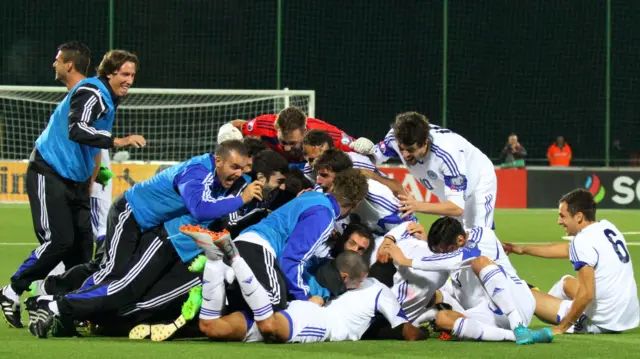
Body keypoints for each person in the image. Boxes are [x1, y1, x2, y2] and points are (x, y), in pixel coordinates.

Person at [0, 46, 145, 329]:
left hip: (80, 183)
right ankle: (15, 290)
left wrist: (93, 184)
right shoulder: (91, 91)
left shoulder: (102, 99)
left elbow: (97, 159)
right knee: (58, 241)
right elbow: (78, 131)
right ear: (110, 72)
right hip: (50, 172)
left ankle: (54, 305)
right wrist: (119, 142)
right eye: (125, 73)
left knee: (81, 254)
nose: (130, 79)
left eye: (132, 75)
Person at [380, 217, 553, 344]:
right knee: (442, 319)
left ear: (461, 239)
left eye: (444, 250)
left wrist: (406, 261)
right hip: (488, 314)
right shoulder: (452, 253)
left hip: (516, 303)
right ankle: (516, 336)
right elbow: (448, 257)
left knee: (480, 263)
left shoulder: (483, 236)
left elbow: (461, 256)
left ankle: (519, 327)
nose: (442, 255)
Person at [502, 188, 639, 335]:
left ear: (578, 217)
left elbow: (586, 294)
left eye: (563, 216)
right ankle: (546, 305)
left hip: (602, 322)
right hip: (624, 315)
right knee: (565, 282)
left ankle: (537, 305)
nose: (559, 221)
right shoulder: (606, 227)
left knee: (523, 294)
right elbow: (568, 250)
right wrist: (523, 250)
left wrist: (561, 328)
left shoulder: (582, 242)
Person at [368, 112, 497, 229]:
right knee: (450, 243)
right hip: (446, 190)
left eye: (411, 150)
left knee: (479, 237)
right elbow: (373, 157)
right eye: (401, 149)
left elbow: (457, 208)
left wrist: (417, 205)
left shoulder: (447, 155)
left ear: (425, 142)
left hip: (477, 182)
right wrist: (363, 150)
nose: (405, 155)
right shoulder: (395, 138)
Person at [217, 106, 374, 164]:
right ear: (275, 128)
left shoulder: (325, 133)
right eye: (282, 142)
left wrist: (364, 146)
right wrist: (227, 131)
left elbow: (354, 145)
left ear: (305, 132)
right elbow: (238, 125)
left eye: (292, 143)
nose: (286, 148)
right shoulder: (263, 125)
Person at [302, 129, 383, 183]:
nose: (315, 164)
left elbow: (387, 184)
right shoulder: (309, 171)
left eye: (320, 159)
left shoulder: (356, 162)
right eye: (311, 160)